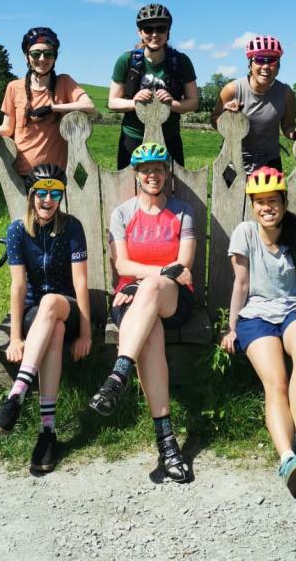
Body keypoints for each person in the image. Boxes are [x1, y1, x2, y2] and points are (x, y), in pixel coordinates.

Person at [221, 167, 296, 497]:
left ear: (284, 203)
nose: (266, 207)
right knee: (276, 381)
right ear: (252, 206)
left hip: (293, 310)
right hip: (255, 315)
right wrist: (231, 328)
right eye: (259, 202)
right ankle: (287, 458)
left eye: (273, 201)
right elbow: (241, 284)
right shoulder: (244, 233)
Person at [88, 142, 195, 483]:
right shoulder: (122, 213)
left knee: (150, 288)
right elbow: (121, 262)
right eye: (146, 170)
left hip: (173, 299)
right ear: (136, 175)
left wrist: (142, 278)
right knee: (151, 336)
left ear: (167, 174)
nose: (153, 175)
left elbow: (184, 266)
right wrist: (158, 273)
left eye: (159, 169)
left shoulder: (183, 211)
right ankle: (167, 443)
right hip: (131, 301)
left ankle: (118, 374)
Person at [0, 164, 92, 476]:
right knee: (54, 331)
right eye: (42, 193)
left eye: (55, 193)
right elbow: (18, 286)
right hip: (38, 315)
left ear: (62, 196)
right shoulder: (17, 230)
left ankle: (16, 395)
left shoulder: (72, 227)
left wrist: (86, 332)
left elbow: (81, 283)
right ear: (32, 196)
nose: (48, 200)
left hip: (68, 306)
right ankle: (47, 432)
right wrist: (16, 335)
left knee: (54, 308)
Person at [0, 26, 95, 181]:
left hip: (56, 173)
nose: (42, 59)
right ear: (26, 56)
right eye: (35, 53)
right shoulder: (14, 87)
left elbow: (89, 105)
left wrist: (52, 108)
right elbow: (8, 127)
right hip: (22, 172)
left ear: (54, 57)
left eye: (48, 54)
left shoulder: (64, 82)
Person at [109, 4, 199, 170]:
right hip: (133, 135)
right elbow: (113, 102)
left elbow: (193, 102)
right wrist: (134, 102)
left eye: (161, 29)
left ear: (168, 32)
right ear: (140, 33)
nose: (154, 34)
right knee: (127, 189)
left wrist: (172, 104)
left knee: (173, 189)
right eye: (148, 29)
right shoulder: (126, 60)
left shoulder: (181, 61)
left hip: (169, 136)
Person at [211, 34, 296, 173]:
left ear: (279, 66)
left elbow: (288, 126)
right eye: (260, 60)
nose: (266, 66)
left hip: (270, 163)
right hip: (234, 161)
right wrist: (227, 117)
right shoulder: (232, 89)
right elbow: (214, 119)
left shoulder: (286, 93)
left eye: (272, 60)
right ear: (250, 64)